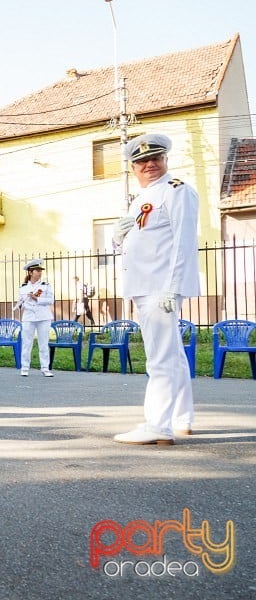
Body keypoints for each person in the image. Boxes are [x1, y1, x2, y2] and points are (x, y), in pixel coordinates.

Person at [111, 133, 199, 446]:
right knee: (173, 355)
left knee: (160, 359)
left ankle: (157, 425)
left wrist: (172, 289)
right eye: (141, 161)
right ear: (132, 167)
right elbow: (144, 242)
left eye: (155, 158)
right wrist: (117, 238)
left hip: (159, 289)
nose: (149, 164)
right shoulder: (143, 197)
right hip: (144, 285)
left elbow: (184, 242)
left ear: (165, 160)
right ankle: (180, 418)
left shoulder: (177, 190)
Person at [17, 259, 54, 378]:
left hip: (43, 317)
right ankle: (24, 368)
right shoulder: (23, 288)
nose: (39, 273)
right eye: (37, 270)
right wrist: (20, 303)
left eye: (40, 270)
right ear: (30, 272)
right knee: (27, 343)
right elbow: (20, 304)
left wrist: (36, 298)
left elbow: (50, 300)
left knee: (43, 343)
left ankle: (45, 368)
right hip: (28, 317)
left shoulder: (46, 286)